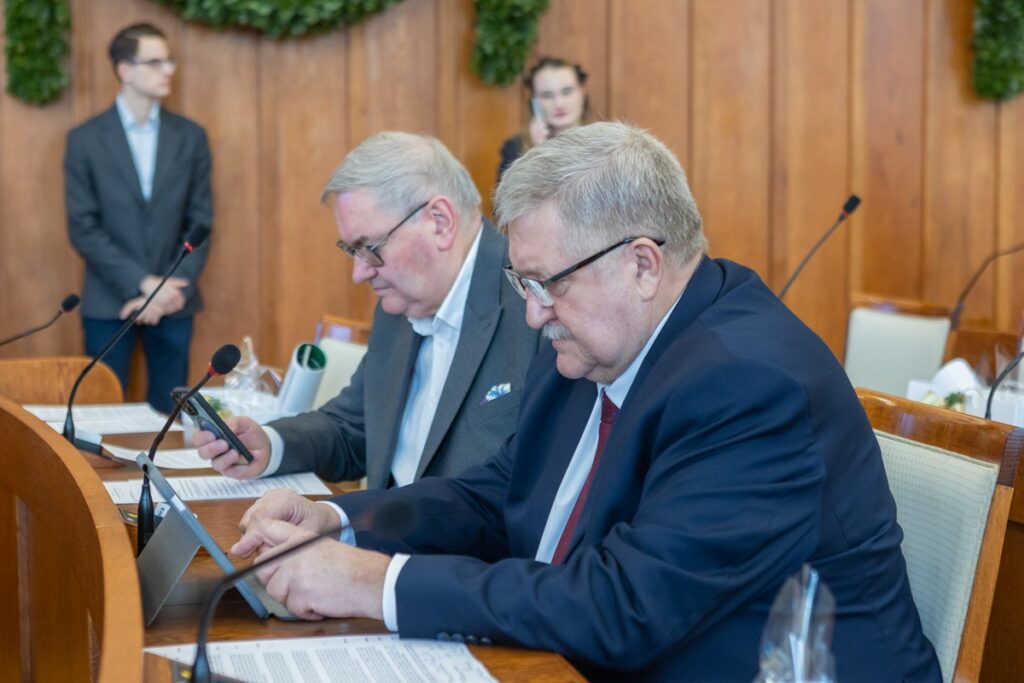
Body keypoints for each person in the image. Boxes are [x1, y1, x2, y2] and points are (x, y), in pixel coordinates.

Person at [231, 123, 941, 682]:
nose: (534, 315)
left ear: (641, 263)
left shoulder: (749, 384)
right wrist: (340, 520)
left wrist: (378, 583)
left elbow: (624, 607)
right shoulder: (594, 343)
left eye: (547, 284)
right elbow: (497, 494)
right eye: (522, 286)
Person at [195, 132, 540, 489]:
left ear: (440, 221)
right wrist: (271, 445)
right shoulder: (400, 303)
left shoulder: (534, 307)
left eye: (370, 247)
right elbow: (355, 428)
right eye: (352, 251)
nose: (360, 273)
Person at [64, 23, 212, 414]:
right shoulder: (85, 139)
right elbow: (82, 226)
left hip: (174, 300)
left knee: (170, 421)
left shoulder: (191, 136)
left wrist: (165, 291)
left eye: (170, 60)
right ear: (125, 70)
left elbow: (201, 220)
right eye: (155, 61)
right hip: (108, 299)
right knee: (100, 415)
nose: (169, 70)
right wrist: (143, 284)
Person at [497, 56, 589, 180]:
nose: (559, 103)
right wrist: (537, 152)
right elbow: (509, 198)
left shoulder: (604, 144)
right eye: (547, 95)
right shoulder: (514, 148)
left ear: (582, 94)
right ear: (534, 103)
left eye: (567, 92)